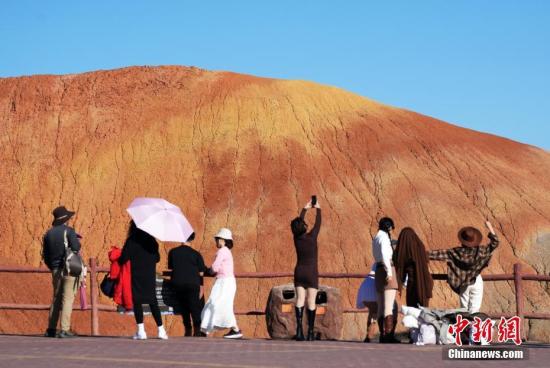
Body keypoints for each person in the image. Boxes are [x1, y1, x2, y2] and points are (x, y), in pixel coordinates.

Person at [428, 222, 499, 314]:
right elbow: (495, 243)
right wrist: (490, 227)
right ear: (475, 240)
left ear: (462, 240)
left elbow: (437, 254)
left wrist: (419, 252)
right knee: (475, 310)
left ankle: (465, 327)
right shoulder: (481, 251)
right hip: (476, 280)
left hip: (463, 283)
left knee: (464, 310)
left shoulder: (454, 252)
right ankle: (473, 327)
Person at [119, 220, 168, 340]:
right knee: (153, 301)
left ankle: (141, 331)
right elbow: (157, 258)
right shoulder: (152, 241)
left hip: (136, 275)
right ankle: (161, 331)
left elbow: (124, 258)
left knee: (137, 302)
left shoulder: (132, 241)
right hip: (149, 275)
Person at [42, 206, 81, 338]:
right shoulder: (69, 231)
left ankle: (51, 329)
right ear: (66, 219)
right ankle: (64, 329)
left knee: (56, 299)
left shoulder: (48, 234)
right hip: (69, 269)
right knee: (67, 299)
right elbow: (76, 248)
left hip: (55, 270)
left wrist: (53, 267)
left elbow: (45, 256)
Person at [200, 228, 243, 339]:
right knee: (218, 304)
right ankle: (205, 329)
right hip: (226, 282)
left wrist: (206, 270)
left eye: (218, 239)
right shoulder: (227, 251)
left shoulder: (222, 251)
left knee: (215, 304)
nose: (217, 241)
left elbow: (215, 267)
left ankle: (235, 329)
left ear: (223, 240)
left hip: (224, 282)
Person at [291, 199, 322, 341]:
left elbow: (298, 223)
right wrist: (318, 209)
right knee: (311, 302)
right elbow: (317, 224)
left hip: (299, 272)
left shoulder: (296, 239)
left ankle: (299, 330)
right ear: (304, 227)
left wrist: (304, 209)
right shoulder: (312, 237)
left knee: (300, 300)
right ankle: (310, 332)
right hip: (311, 273)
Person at [168, 232, 207, 337]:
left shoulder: (173, 252)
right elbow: (201, 273)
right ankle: (197, 331)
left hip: (177, 283)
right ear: (192, 239)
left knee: (184, 308)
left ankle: (188, 330)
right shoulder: (196, 254)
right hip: (192, 284)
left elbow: (171, 268)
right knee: (195, 308)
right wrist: (201, 287)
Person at [372, 217, 400, 343]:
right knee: (389, 306)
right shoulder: (383, 238)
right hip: (386, 269)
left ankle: (382, 335)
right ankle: (388, 336)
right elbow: (385, 255)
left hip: (378, 270)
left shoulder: (376, 237)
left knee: (380, 306)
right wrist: (389, 272)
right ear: (388, 227)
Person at [394, 227, 434, 308]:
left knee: (413, 311)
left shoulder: (406, 252)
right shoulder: (420, 246)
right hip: (426, 283)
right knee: (423, 312)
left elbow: (399, 264)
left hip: (414, 285)